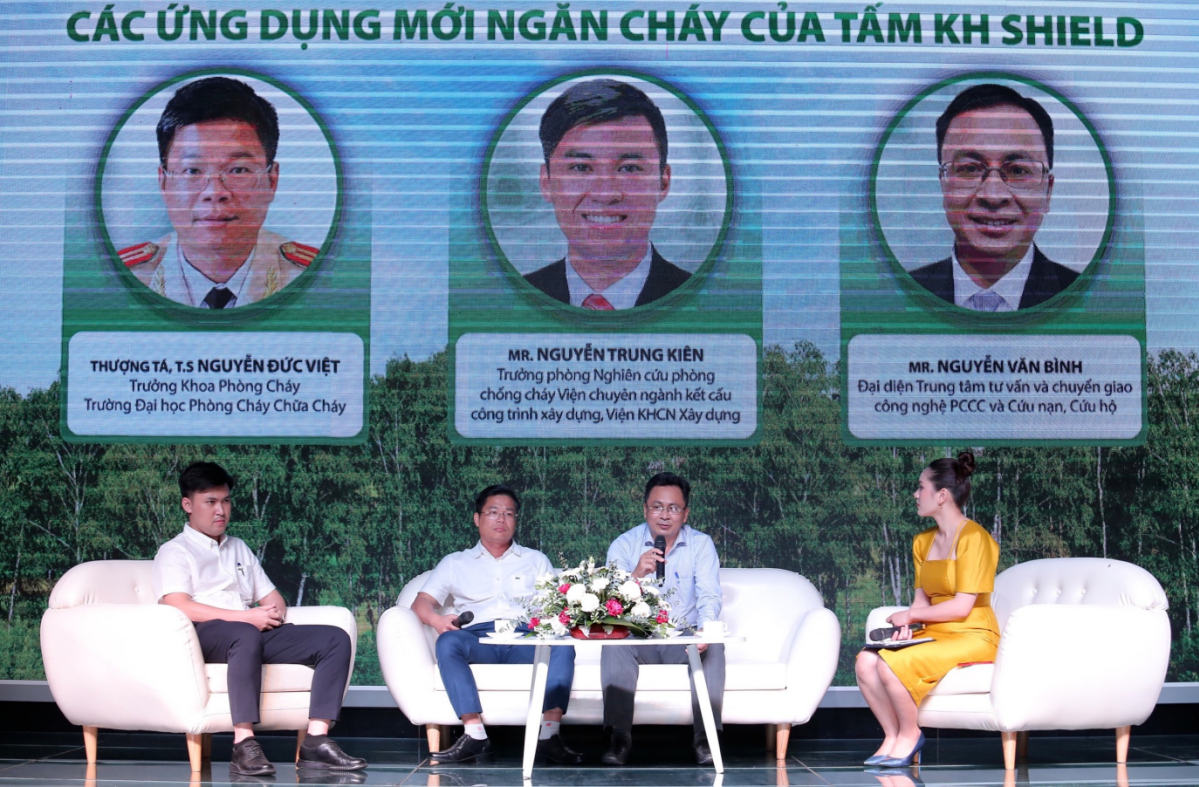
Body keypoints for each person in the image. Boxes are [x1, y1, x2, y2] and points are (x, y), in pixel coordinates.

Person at [151, 462, 366, 776]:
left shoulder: (238, 547)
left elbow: (272, 597)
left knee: (334, 639)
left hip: (248, 633)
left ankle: (316, 741)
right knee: (245, 633)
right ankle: (243, 744)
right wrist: (246, 617)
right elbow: (178, 605)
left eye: (226, 501)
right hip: (203, 635)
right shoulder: (175, 551)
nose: (220, 510)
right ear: (188, 505)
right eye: (210, 502)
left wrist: (269, 613)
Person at [410, 484, 583, 765]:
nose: (501, 519)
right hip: (478, 637)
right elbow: (421, 604)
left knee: (562, 646)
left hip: (524, 636)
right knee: (448, 642)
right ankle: (475, 734)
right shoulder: (455, 562)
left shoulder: (535, 560)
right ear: (477, 518)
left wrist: (549, 620)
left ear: (516, 520)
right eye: (493, 512)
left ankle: (549, 735)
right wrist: (437, 620)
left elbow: (555, 606)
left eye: (509, 513)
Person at [120, 76, 317, 308]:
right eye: (192, 170)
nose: (214, 192)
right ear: (163, 182)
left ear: (272, 180)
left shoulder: (317, 278)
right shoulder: (122, 278)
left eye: (238, 170)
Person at [855, 452, 1000, 767]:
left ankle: (910, 735)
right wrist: (909, 626)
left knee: (891, 664)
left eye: (921, 487)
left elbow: (962, 606)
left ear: (942, 495)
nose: (915, 494)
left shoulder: (975, 538)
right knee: (866, 661)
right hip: (936, 632)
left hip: (973, 634)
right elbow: (921, 603)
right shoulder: (922, 542)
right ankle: (892, 736)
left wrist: (912, 616)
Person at [909, 84, 1079, 312]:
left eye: (1017, 170)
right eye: (970, 169)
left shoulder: (1088, 299)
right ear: (944, 184)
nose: (993, 196)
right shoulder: (900, 297)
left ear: (1047, 191)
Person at [524, 79, 691, 310]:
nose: (605, 194)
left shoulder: (707, 301)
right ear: (547, 183)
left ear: (663, 182)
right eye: (581, 167)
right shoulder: (509, 301)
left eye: (629, 168)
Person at [600, 472, 724, 766]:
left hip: (682, 637)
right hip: (638, 635)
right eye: (657, 507)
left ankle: (706, 739)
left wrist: (704, 631)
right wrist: (636, 575)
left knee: (715, 643)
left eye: (673, 508)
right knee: (614, 641)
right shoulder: (624, 544)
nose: (665, 515)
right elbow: (610, 605)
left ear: (685, 513)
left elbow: (709, 595)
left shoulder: (701, 544)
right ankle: (619, 739)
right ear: (645, 509)